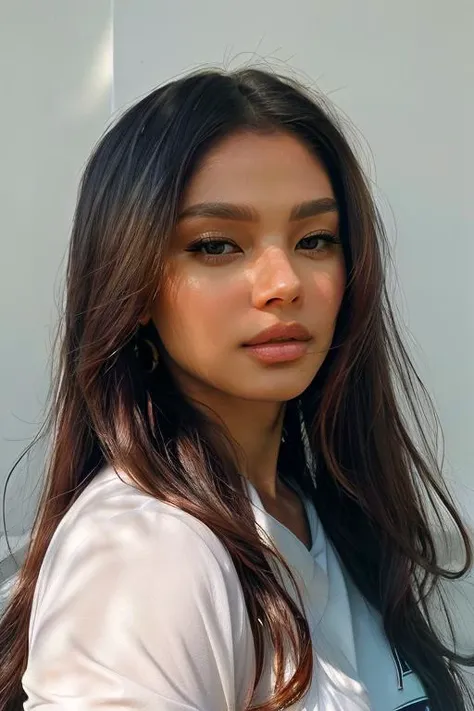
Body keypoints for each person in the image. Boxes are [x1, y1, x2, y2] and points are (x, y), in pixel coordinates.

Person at [0, 67, 472, 711]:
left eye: (315, 239)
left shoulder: (317, 516)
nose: (283, 283)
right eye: (218, 245)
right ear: (132, 283)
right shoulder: (146, 553)